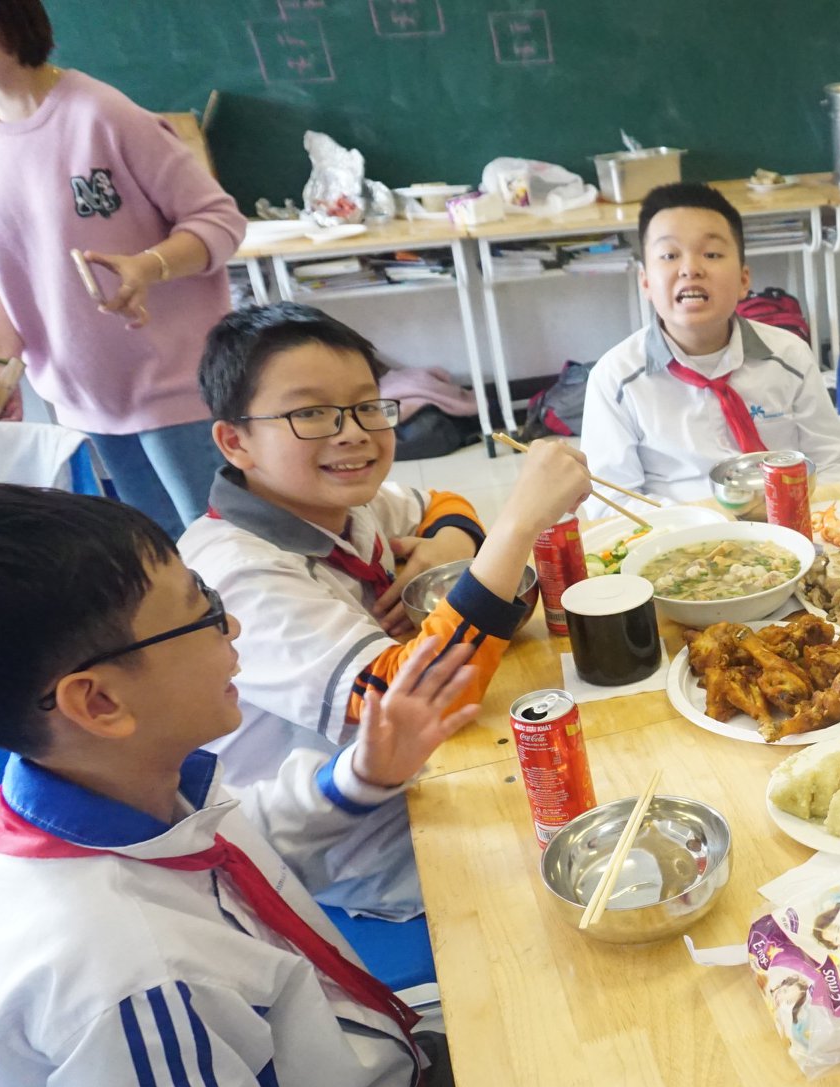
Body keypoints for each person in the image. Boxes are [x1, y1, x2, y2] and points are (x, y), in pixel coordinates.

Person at [0, 487, 513, 1087]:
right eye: (202, 614)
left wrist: (363, 777)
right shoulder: (117, 965)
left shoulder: (119, 794)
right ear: (98, 701)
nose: (232, 627)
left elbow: (240, 845)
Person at [178, 303, 592, 918]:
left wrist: (449, 544)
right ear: (235, 441)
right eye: (310, 413)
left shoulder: (338, 503)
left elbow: (441, 502)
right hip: (366, 851)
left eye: (367, 405)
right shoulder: (238, 573)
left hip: (434, 777)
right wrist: (517, 524)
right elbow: (407, 701)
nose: (352, 433)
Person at [0, 0, 248, 538]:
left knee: (224, 549)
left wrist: (148, 267)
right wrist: (2, 365)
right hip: (78, 397)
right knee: (149, 552)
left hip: (174, 389)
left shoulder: (102, 114)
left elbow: (220, 220)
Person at [580, 182, 840, 508]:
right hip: (677, 532)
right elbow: (610, 500)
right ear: (646, 282)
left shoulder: (790, 355)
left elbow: (832, 464)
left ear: (744, 280)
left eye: (711, 254)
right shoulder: (615, 379)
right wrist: (698, 525)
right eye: (669, 255)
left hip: (790, 522)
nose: (690, 269)